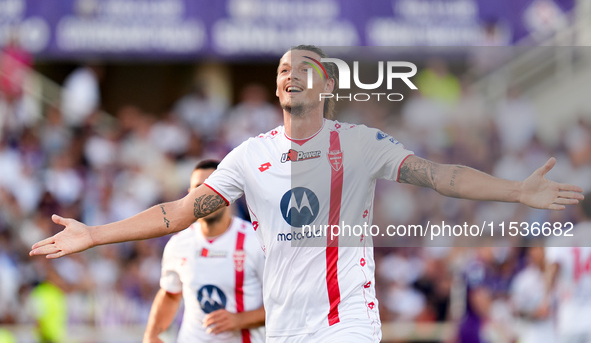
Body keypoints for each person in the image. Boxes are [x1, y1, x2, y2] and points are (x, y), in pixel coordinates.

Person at [30, 45, 584, 342]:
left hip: (347, 323)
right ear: (277, 87)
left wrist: (517, 191)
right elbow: (177, 212)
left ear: (327, 85)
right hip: (285, 328)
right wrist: (95, 235)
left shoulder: (361, 145)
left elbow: (444, 176)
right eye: (282, 68)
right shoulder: (250, 155)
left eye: (303, 67)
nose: (290, 73)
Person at [143, 160, 265, 343]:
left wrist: (240, 320)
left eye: (212, 186)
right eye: (198, 188)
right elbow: (170, 293)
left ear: (228, 191)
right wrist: (151, 335)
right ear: (190, 195)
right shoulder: (178, 244)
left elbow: (285, 302)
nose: (205, 194)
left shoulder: (256, 241)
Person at [545, 192, 591, 343]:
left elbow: (552, 272)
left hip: (570, 318)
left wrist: (545, 301)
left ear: (578, 211)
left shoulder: (560, 240)